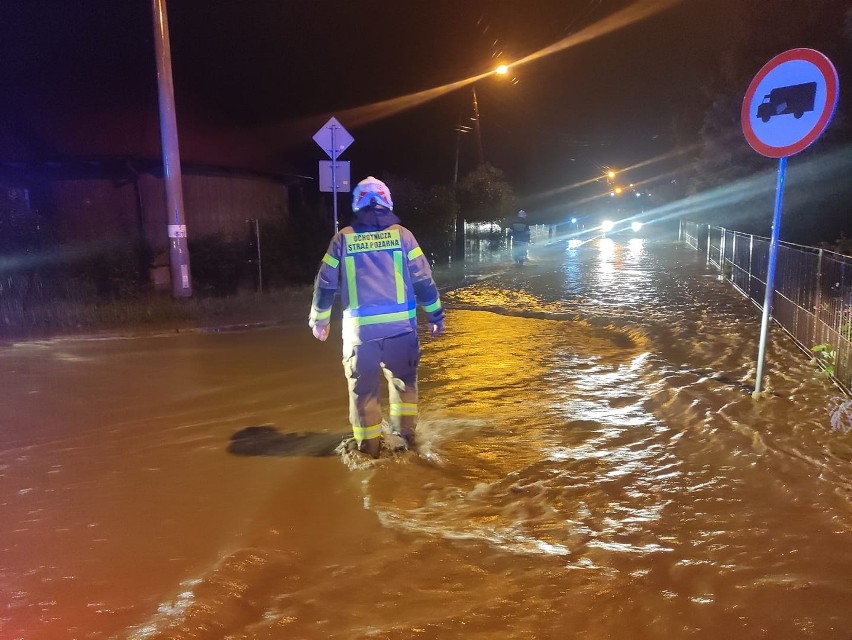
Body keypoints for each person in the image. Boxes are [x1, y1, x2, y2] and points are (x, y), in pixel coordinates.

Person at [308, 176, 445, 458]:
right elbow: (423, 281)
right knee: (404, 384)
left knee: (364, 394)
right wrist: (435, 315)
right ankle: (406, 443)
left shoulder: (342, 238)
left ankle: (368, 453)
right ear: (387, 201)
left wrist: (319, 320)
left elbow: (325, 284)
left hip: (360, 336)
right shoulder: (403, 236)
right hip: (401, 332)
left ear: (357, 204)